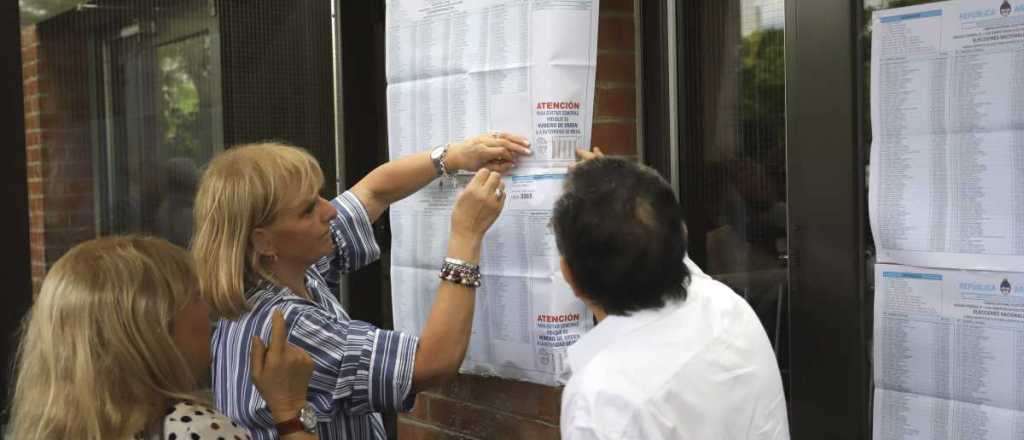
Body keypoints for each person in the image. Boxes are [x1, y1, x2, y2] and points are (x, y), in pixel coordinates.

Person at [191, 133, 527, 439]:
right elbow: (431, 363)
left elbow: (372, 193)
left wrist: (451, 157)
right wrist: (466, 235)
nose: (329, 211)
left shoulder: (283, 273)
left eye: (320, 196)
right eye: (308, 210)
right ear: (263, 242)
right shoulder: (290, 325)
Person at [555, 151, 790, 439]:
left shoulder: (603, 402)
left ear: (569, 276)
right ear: (683, 234)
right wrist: (622, 192)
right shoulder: (727, 307)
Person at [7, 235, 318, 440]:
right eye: (195, 297)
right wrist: (290, 410)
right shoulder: (195, 430)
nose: (208, 309)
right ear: (153, 327)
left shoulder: (61, 427)